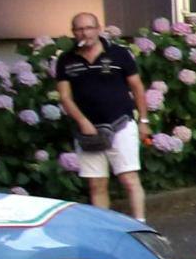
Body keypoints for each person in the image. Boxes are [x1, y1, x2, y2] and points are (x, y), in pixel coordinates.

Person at [53, 12, 152, 220]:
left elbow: (137, 88)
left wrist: (144, 120)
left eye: (89, 28)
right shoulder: (66, 59)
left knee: (129, 178)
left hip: (121, 124)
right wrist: (82, 122)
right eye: (79, 29)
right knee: (96, 183)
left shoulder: (119, 54)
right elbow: (65, 96)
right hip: (87, 131)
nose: (84, 33)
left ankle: (141, 226)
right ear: (73, 32)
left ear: (98, 29)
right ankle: (104, 230)